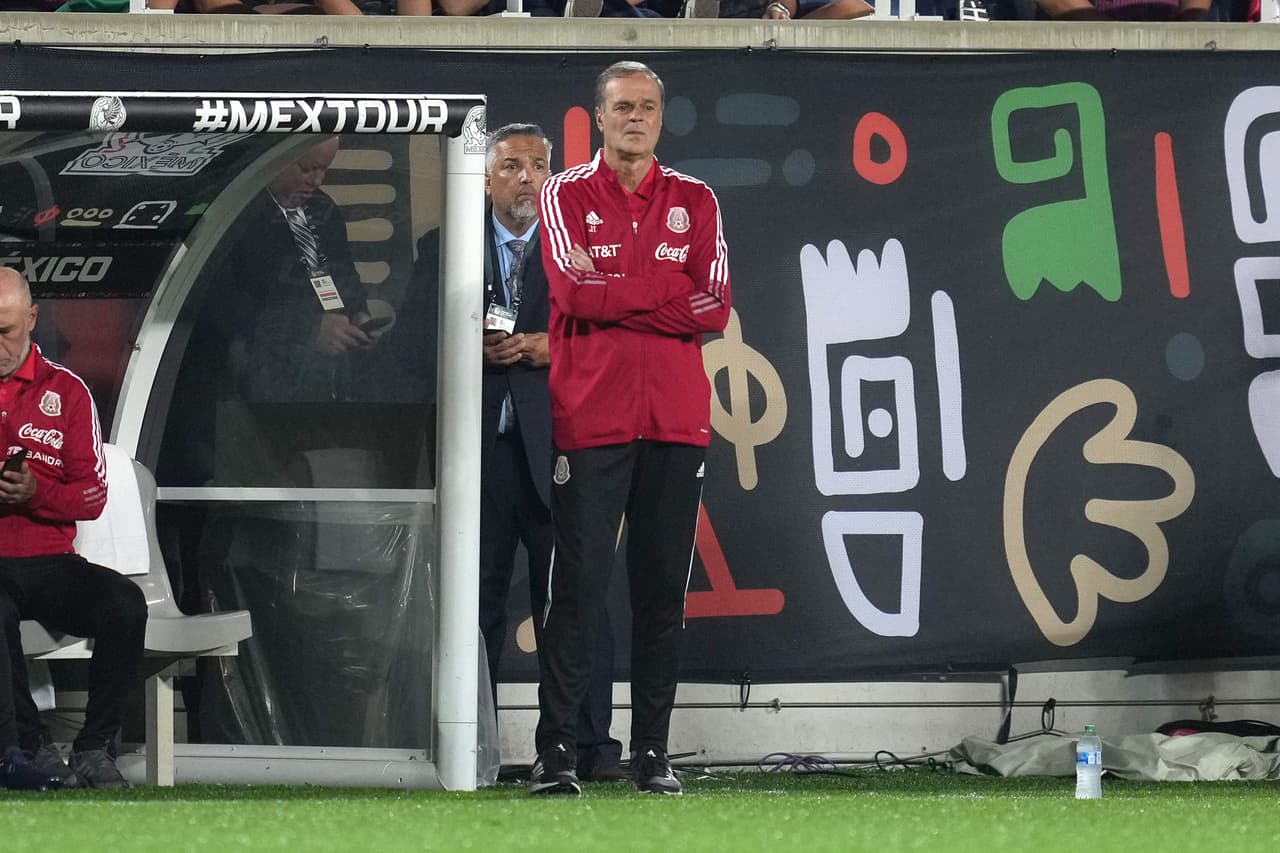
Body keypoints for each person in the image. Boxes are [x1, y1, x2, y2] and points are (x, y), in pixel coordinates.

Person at [528, 61, 731, 797]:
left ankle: (652, 753)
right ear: (600, 117)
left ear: (661, 118)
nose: (636, 118)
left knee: (661, 595)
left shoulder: (696, 199)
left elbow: (715, 305)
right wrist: (665, 292)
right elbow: (571, 293)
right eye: (623, 108)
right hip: (592, 419)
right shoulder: (563, 193)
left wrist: (615, 290)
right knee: (578, 591)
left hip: (676, 423)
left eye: (647, 107)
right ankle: (556, 752)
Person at [413, 123, 623, 782]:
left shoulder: (580, 250)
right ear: (484, 179)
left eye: (538, 165)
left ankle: (585, 748)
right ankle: (466, 749)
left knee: (573, 599)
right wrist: (464, 347)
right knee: (470, 603)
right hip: (476, 455)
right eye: (510, 165)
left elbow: (613, 341)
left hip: (561, 449)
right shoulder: (442, 248)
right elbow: (410, 347)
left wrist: (548, 349)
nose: (526, 177)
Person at [0, 268, 148, 791]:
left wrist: (35, 494)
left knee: (125, 604)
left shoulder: (67, 391)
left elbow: (92, 496)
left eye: (5, 331)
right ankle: (27, 747)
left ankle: (95, 748)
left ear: (32, 319)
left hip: (51, 561)